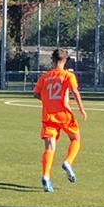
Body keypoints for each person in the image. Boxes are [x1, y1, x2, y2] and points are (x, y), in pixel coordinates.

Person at [33, 48, 87, 193]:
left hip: (48, 116)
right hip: (64, 114)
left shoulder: (45, 77)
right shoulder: (68, 75)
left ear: (52, 60)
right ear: (65, 60)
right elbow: (75, 91)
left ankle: (46, 176)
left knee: (49, 148)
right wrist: (81, 109)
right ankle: (68, 162)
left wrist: (48, 101)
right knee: (75, 138)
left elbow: (36, 94)